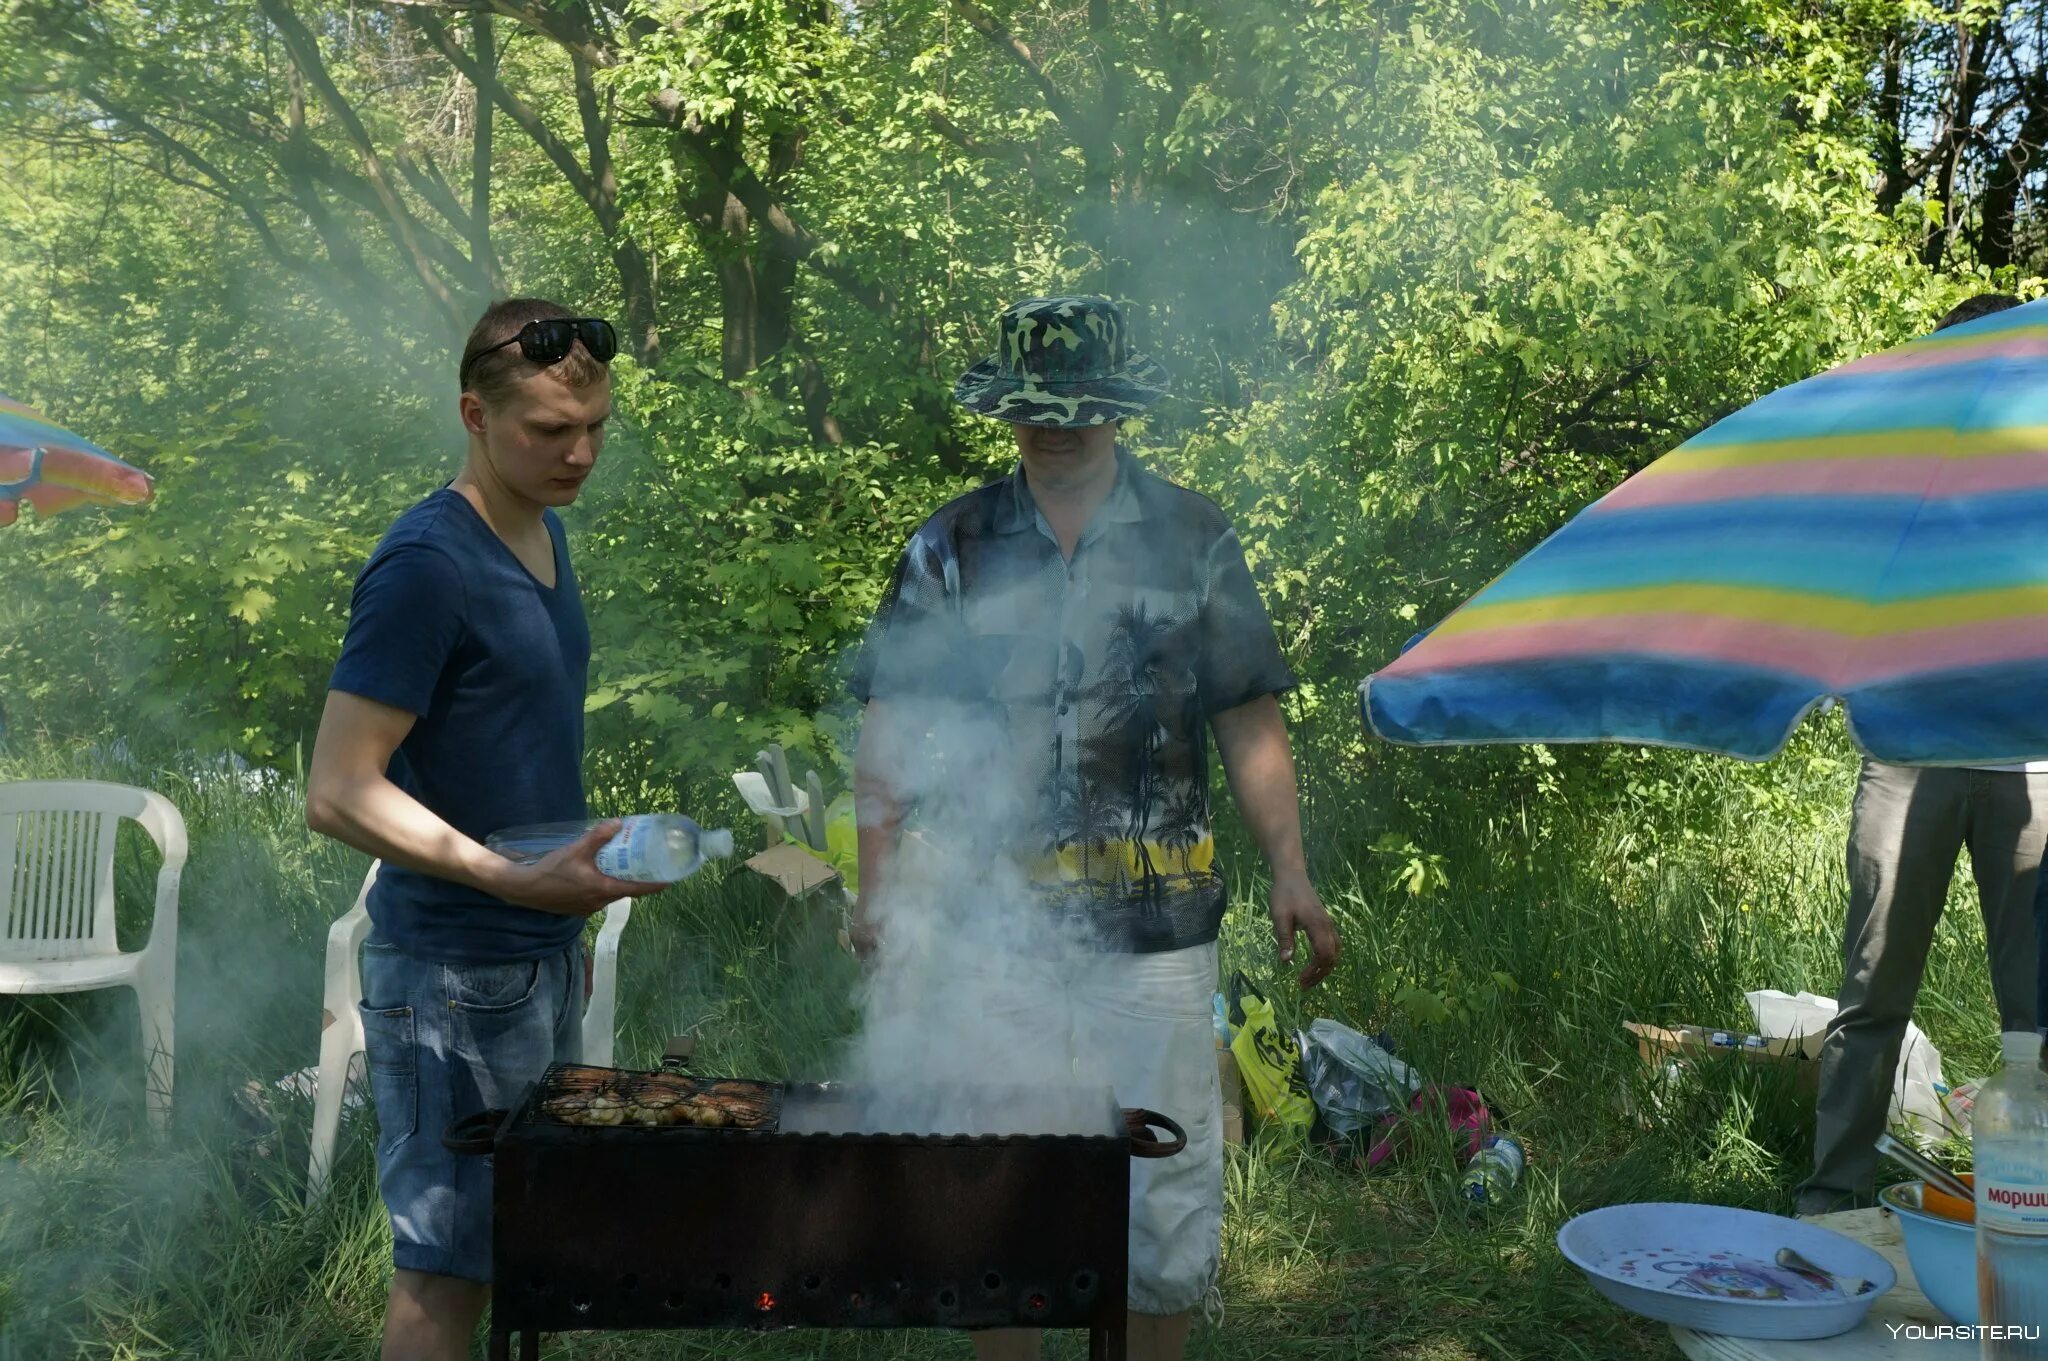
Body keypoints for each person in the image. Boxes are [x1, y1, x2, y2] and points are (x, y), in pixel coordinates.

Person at [847, 295, 1340, 1361]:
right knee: (995, 1179)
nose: (1055, 427)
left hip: (1157, 934)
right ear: (1006, 410)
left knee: (1161, 1193)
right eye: (1034, 408)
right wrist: (878, 887)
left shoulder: (1192, 536)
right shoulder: (951, 545)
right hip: (992, 926)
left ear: (1117, 409)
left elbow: (1248, 710)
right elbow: (892, 718)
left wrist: (1290, 872)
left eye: (1078, 407)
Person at [305, 299, 663, 1361]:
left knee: (521, 1242)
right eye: (550, 431)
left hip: (528, 959)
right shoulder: (427, 563)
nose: (580, 452)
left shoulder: (540, 529)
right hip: (449, 975)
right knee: (443, 1272)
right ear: (473, 413)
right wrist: (509, 883)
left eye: (595, 425)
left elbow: (504, 754)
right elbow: (335, 789)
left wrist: (556, 920)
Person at [1797, 291, 2047, 1215]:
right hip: (1907, 756)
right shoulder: (1899, 470)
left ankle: (2038, 1209)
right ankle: (1836, 1203)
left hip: (2032, 767)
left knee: (2039, 1016)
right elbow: (1830, 580)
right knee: (1871, 999)